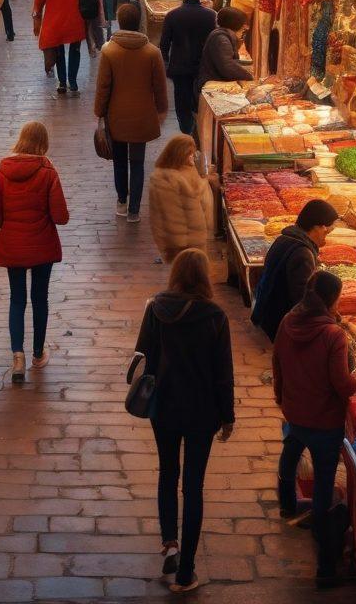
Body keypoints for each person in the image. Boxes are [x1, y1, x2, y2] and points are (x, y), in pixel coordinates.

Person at [134, 248, 234, 594]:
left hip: (164, 407)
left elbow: (144, 357)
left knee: (167, 472)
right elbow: (224, 373)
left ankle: (170, 543)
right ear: (204, 277)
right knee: (193, 486)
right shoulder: (215, 316)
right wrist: (227, 416)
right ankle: (186, 571)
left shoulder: (156, 309)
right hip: (202, 411)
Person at [273, 271, 356, 588]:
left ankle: (285, 503)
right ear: (332, 299)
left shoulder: (288, 321)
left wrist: (282, 397)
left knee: (291, 449)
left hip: (296, 411)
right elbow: (342, 384)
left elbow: (277, 362)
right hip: (325, 420)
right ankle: (324, 567)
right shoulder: (333, 335)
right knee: (323, 491)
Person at [0, 121, 69, 383]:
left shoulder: (1, 173)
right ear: (43, 143)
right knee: (40, 298)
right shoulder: (48, 173)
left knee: (17, 299)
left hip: (13, 246)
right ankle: (37, 353)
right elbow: (60, 216)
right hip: (42, 244)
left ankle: (17, 356)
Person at [94, 2, 168, 222]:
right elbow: (159, 86)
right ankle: (135, 209)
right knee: (137, 162)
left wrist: (99, 112)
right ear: (139, 23)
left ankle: (121, 201)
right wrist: (161, 110)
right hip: (142, 116)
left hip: (116, 116)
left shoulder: (109, 51)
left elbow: (103, 86)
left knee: (119, 160)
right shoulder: (152, 53)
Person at [251, 198, 340, 341]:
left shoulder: (284, 238)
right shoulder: (303, 253)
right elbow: (301, 299)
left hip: (264, 311)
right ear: (317, 227)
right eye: (326, 231)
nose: (326, 236)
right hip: (279, 323)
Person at [160, 0, 217, 139]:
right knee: (200, 101)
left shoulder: (172, 15)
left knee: (182, 103)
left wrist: (165, 65)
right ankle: (199, 133)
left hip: (179, 68)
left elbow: (164, 44)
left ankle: (187, 132)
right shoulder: (211, 15)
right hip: (203, 68)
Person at [148, 135, 213, 264]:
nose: (193, 157)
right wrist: (180, 246)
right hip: (182, 246)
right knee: (188, 278)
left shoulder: (188, 170)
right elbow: (168, 217)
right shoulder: (165, 180)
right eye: (190, 154)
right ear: (179, 154)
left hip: (195, 240)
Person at [195, 7, 253, 97]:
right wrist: (249, 76)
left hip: (214, 78)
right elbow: (227, 65)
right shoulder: (221, 39)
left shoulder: (221, 35)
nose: (244, 28)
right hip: (213, 82)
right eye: (243, 25)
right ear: (235, 24)